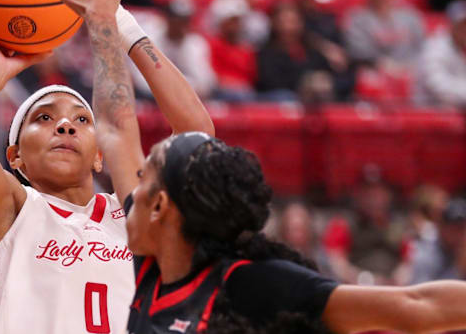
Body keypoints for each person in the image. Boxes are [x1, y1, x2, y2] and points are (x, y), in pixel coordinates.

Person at [0, 0, 213, 332]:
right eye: (44, 118)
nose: (65, 124)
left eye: (82, 120)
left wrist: (121, 24)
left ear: (100, 153)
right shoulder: (12, 209)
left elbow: (197, 133)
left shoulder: (133, 212)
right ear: (15, 158)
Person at [123, 132, 466, 334]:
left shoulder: (251, 284)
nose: (131, 192)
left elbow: (414, 304)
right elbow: (115, 127)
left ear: (160, 207)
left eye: (142, 179)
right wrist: (108, 22)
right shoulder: (152, 269)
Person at [131, 0, 216, 100]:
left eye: (185, 21)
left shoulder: (195, 44)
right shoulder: (148, 40)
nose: (181, 25)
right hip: (152, 95)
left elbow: (205, 83)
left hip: (185, 96)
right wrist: (176, 87)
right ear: (167, 20)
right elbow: (141, 81)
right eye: (176, 20)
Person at [344, 0, 424, 70]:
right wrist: (382, 64)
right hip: (375, 72)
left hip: (411, 70)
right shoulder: (357, 19)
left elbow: (422, 48)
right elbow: (359, 53)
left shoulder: (411, 16)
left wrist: (411, 66)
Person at [255, 1, 334, 102]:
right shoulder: (266, 53)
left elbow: (329, 75)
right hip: (281, 102)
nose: (288, 28)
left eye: (293, 21)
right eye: (283, 22)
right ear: (274, 24)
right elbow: (270, 83)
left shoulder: (313, 51)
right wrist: (306, 83)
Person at [415, 0, 466, 107]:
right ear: (453, 25)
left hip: (455, 111)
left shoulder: (460, 47)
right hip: (428, 113)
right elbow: (437, 86)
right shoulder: (434, 47)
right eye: (463, 25)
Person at [206, 0, 257, 101]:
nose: (236, 25)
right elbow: (212, 77)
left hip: (246, 93)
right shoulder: (211, 45)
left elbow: (251, 77)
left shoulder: (246, 48)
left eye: (238, 21)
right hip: (220, 93)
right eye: (232, 21)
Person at [410, 198, 466, 284]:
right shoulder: (425, 254)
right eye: (455, 228)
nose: (460, 234)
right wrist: (459, 269)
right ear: (441, 227)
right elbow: (423, 294)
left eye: (462, 228)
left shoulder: (461, 250)